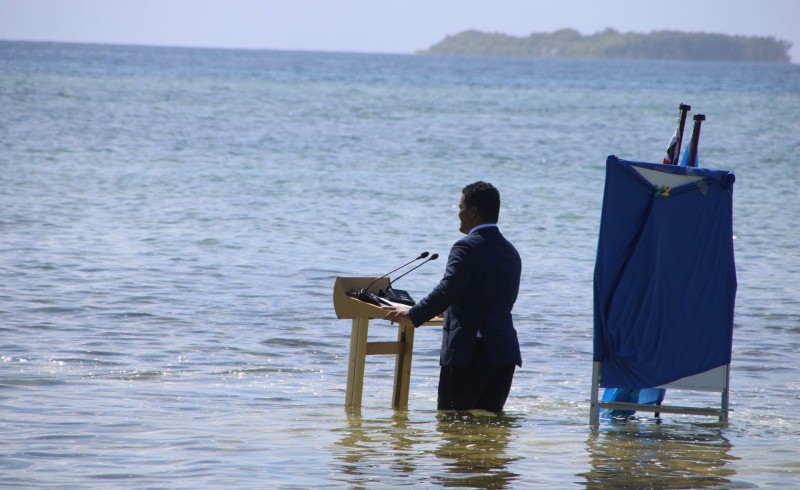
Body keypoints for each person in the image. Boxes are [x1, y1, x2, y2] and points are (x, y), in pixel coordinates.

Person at [383, 181, 522, 412]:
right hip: (503, 354)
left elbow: (448, 289)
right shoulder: (510, 251)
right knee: (489, 436)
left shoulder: (466, 247)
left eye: (460, 207)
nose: (458, 213)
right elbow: (493, 299)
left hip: (469, 353)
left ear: (473, 211)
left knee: (452, 428)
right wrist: (449, 310)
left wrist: (413, 313)